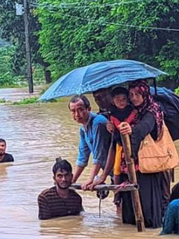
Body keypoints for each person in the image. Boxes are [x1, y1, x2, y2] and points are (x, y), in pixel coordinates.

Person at [116, 80, 171, 229]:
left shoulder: (153, 111)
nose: (134, 98)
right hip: (131, 167)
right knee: (130, 213)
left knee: (148, 212)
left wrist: (130, 129)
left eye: (138, 94)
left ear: (145, 94)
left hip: (148, 168)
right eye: (131, 95)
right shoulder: (132, 111)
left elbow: (143, 129)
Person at [68, 95, 111, 190]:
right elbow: (82, 157)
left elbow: (99, 155)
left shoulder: (98, 123)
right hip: (109, 169)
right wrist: (73, 181)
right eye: (73, 111)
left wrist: (90, 179)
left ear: (89, 109)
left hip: (119, 167)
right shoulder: (83, 129)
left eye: (80, 109)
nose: (77, 114)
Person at [98, 87, 138, 189]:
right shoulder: (111, 113)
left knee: (133, 166)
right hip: (119, 144)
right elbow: (116, 124)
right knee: (116, 168)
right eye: (118, 99)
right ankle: (117, 192)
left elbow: (126, 123)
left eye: (124, 99)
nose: (121, 102)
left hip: (133, 143)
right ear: (112, 100)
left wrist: (125, 124)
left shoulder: (133, 110)